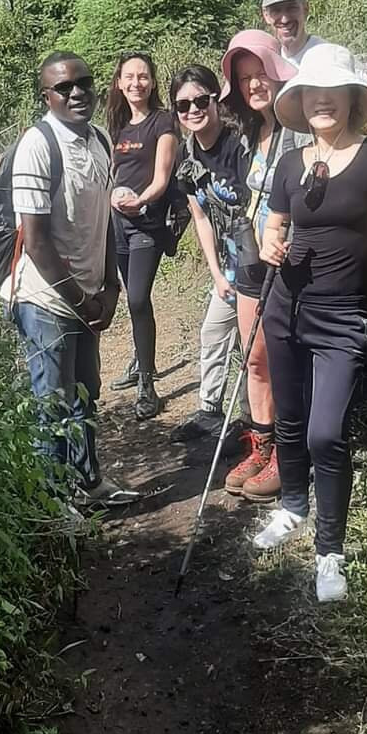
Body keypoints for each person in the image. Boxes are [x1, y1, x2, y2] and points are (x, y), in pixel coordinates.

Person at [254, 43, 367, 602]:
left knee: (325, 433)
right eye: (313, 93)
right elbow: (274, 227)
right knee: (289, 419)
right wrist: (270, 243)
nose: (322, 101)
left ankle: (330, 551)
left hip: (342, 314)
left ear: (352, 99)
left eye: (333, 92)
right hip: (285, 304)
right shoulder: (290, 162)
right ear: (301, 101)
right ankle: (291, 507)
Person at [0, 51, 140, 508]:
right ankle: (54, 504)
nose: (77, 92)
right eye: (64, 87)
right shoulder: (37, 146)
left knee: (87, 395)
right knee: (52, 407)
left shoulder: (98, 139)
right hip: (46, 301)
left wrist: (111, 289)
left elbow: (103, 221)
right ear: (47, 96)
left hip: (87, 295)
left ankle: (89, 482)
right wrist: (83, 300)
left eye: (84, 82)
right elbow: (37, 242)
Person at [216, 29, 299, 502]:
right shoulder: (252, 131)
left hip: (289, 260)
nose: (253, 85)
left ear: (276, 70)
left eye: (259, 73)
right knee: (255, 358)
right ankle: (261, 446)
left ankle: (289, 455)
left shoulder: (300, 124)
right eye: (244, 79)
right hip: (251, 257)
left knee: (287, 360)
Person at [168, 65, 252, 444]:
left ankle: (255, 423)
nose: (193, 110)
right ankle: (209, 410)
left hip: (257, 262)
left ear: (216, 100)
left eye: (201, 100)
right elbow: (199, 217)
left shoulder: (240, 146)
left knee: (254, 347)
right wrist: (216, 274)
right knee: (214, 330)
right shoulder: (187, 156)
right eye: (184, 105)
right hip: (229, 264)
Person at [105, 51, 179, 420]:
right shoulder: (117, 126)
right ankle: (139, 359)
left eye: (143, 76)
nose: (137, 83)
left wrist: (140, 200)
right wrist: (113, 197)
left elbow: (162, 179)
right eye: (129, 77)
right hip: (117, 225)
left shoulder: (163, 122)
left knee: (137, 298)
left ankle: (147, 385)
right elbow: (111, 174)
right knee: (130, 297)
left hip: (147, 223)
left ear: (152, 82)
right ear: (119, 83)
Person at [260, 0, 367, 135]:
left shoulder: (328, 54)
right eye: (276, 10)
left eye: (291, 8)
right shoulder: (272, 59)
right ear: (266, 16)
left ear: (306, 9)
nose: (284, 18)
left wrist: (350, 148)